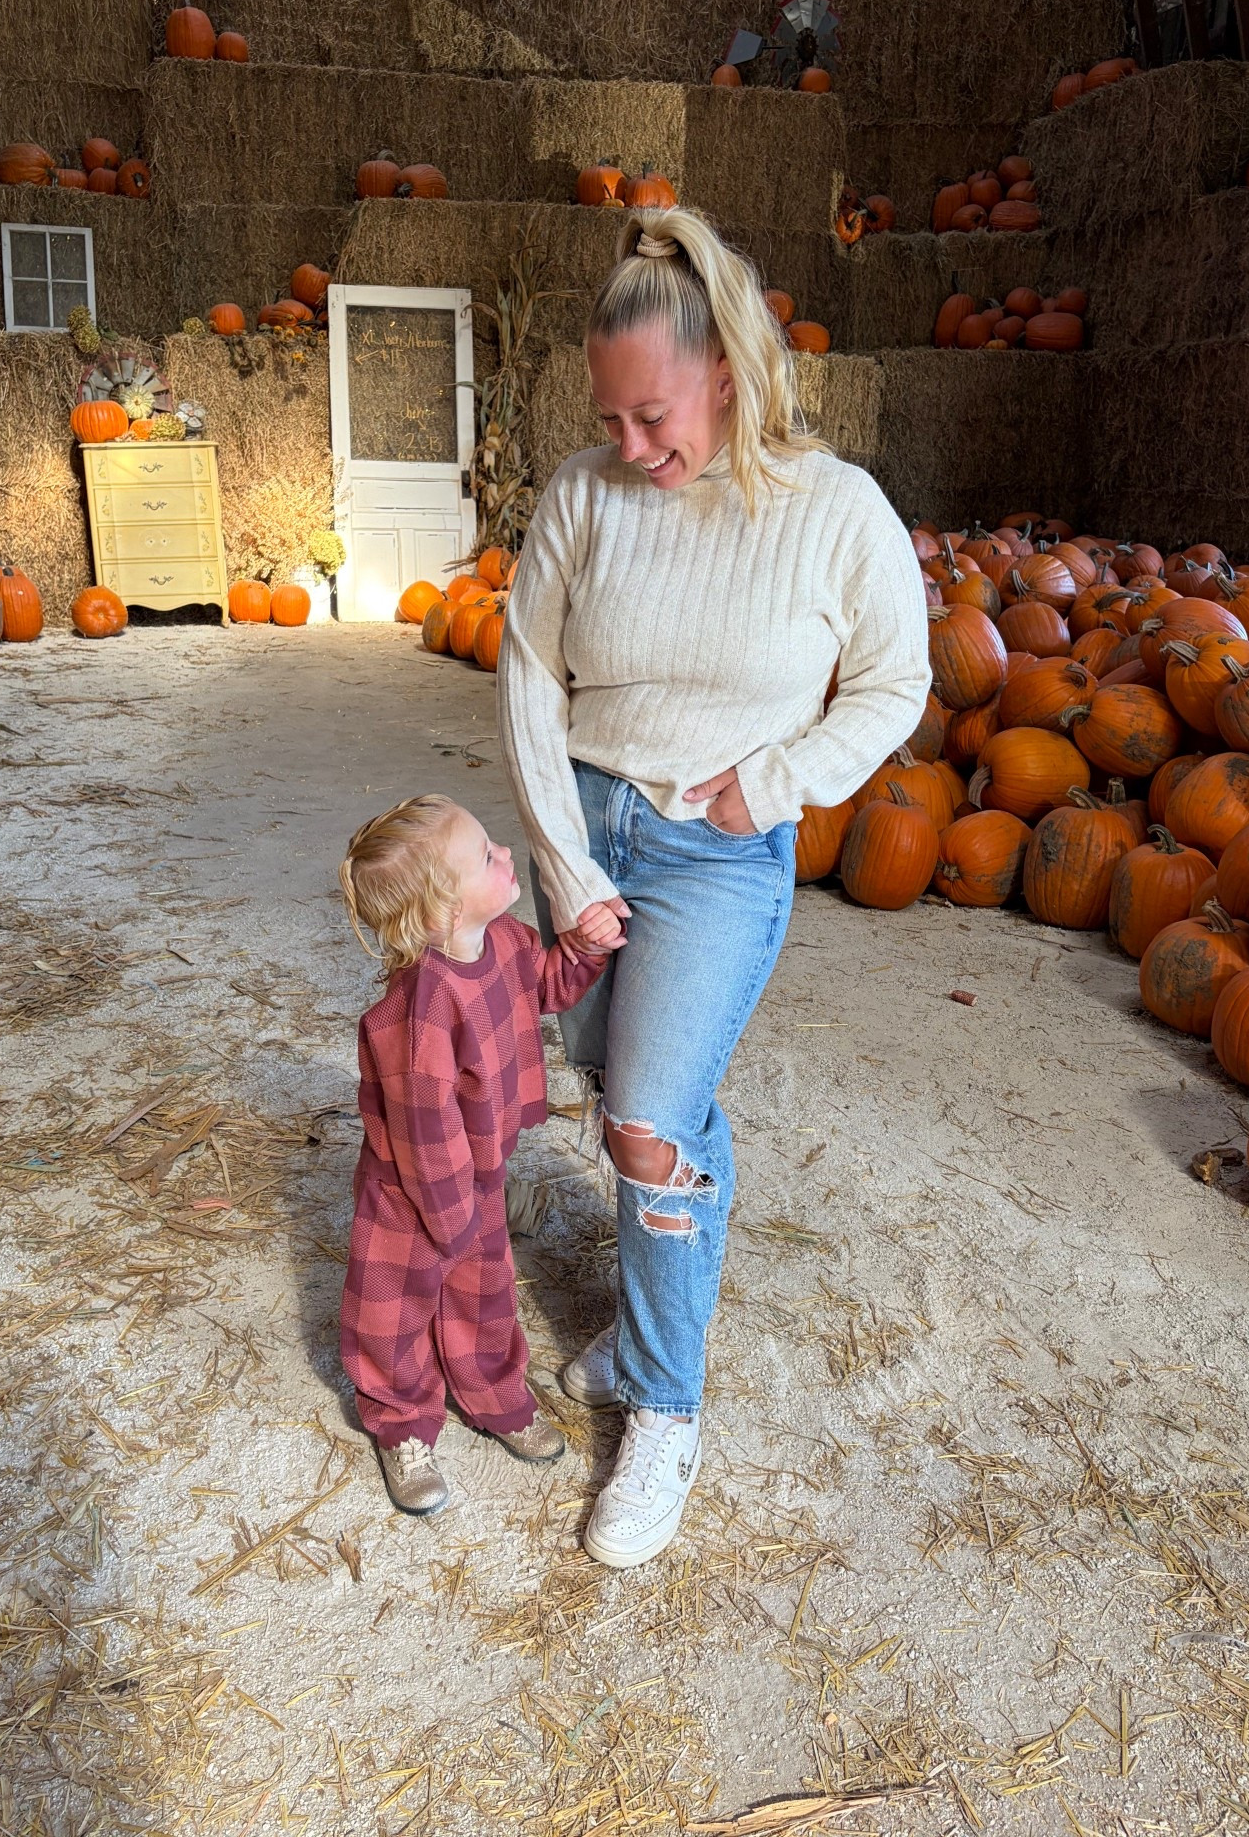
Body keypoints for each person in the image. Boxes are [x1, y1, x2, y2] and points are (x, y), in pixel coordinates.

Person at [498, 205, 930, 1569]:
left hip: (716, 853)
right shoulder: (581, 497)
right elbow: (525, 676)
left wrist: (784, 780)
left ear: (728, 376)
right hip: (588, 832)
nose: (628, 447)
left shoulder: (836, 512)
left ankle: (664, 1406)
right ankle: (650, 1315)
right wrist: (566, 873)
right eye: (609, 419)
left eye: (653, 416)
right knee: (633, 1096)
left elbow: (894, 683)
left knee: (643, 1128)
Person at [337, 794, 608, 1516]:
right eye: (486, 856)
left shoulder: (508, 942)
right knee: (393, 1312)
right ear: (441, 913)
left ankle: (493, 1394)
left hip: (477, 1176)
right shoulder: (422, 1009)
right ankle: (400, 1422)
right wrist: (451, 1223)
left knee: (484, 1294)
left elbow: (545, 985)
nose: (505, 855)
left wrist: (584, 948)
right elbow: (426, 1135)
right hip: (411, 1192)